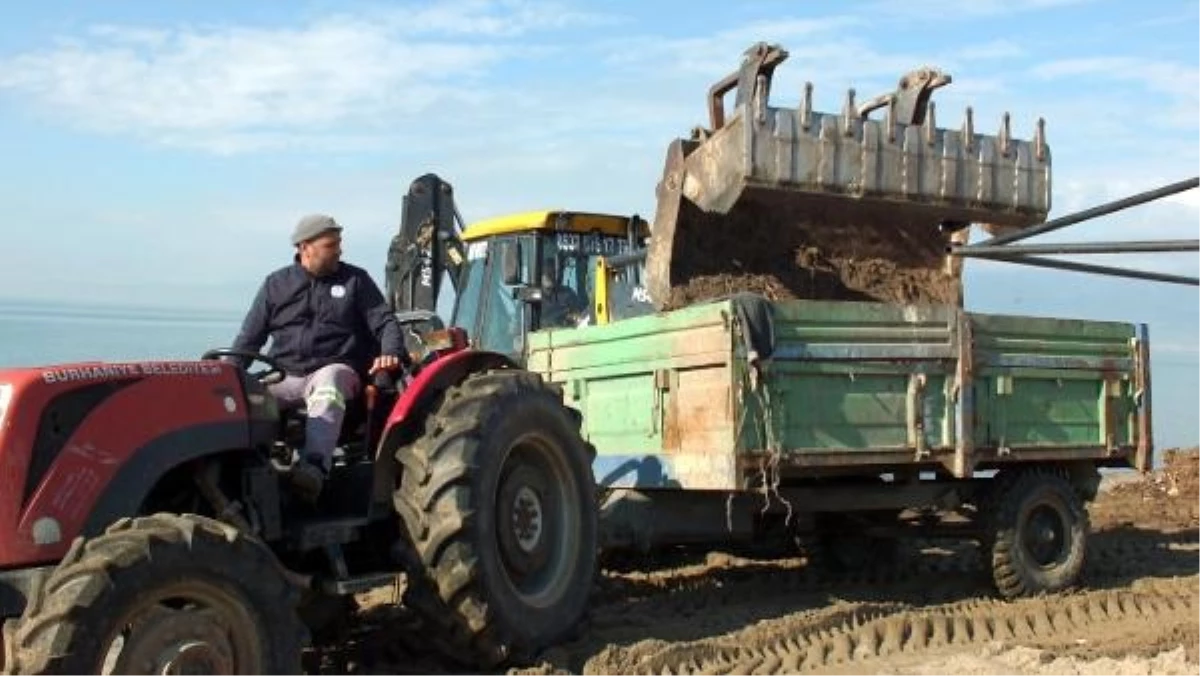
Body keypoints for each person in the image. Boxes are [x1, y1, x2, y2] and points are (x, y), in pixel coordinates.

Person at [230, 213, 404, 501]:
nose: (339, 250)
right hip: (285, 375)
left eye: (339, 243)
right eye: (331, 244)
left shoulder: (355, 281)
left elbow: (386, 323)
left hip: (337, 370)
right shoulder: (276, 285)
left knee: (328, 382)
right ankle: (252, 473)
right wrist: (226, 377)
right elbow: (248, 340)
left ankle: (315, 469)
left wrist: (390, 353)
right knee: (250, 398)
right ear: (304, 247)